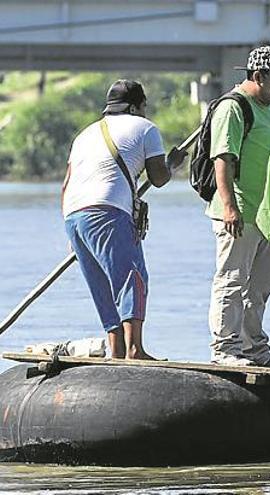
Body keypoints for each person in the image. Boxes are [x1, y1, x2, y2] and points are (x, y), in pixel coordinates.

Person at [61, 79, 176, 359]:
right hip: (107, 211)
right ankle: (135, 349)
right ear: (137, 107)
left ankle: (116, 350)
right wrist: (173, 163)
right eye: (144, 106)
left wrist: (70, 236)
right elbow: (159, 178)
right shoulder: (145, 128)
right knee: (132, 277)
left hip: (73, 216)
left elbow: (66, 182)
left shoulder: (84, 134)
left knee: (101, 283)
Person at [206, 46, 270, 368]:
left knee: (259, 288)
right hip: (239, 213)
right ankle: (224, 348)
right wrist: (229, 207)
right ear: (257, 76)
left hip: (268, 215)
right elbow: (223, 158)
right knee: (231, 281)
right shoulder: (234, 107)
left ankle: (254, 348)